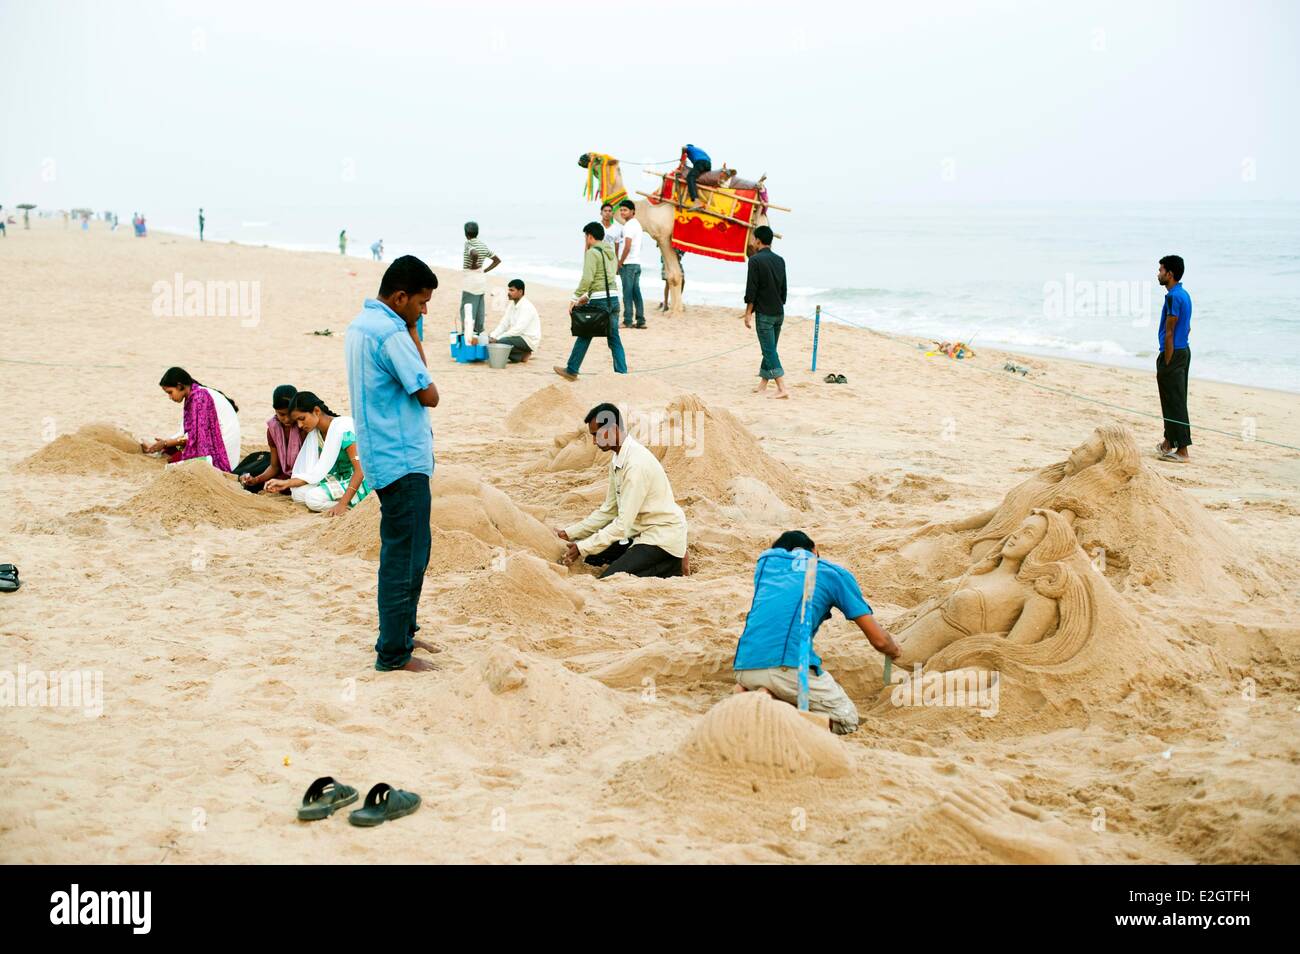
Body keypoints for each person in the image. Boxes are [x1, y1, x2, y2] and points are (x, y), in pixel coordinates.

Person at [344, 255, 441, 673]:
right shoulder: (390, 333)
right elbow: (429, 392)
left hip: (382, 455)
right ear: (400, 297)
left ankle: (403, 631)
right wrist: (412, 330)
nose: (423, 311)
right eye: (421, 303)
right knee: (406, 556)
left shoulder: (360, 326)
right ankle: (394, 653)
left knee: (412, 550)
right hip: (402, 458)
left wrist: (410, 325)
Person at [732, 531, 901, 734]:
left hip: (745, 668)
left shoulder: (766, 569)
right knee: (846, 720)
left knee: (778, 683)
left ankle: (758, 693)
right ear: (814, 550)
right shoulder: (829, 572)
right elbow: (879, 641)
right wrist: (895, 651)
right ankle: (774, 708)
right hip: (787, 668)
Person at [556, 403, 689, 578]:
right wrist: (570, 533)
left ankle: (674, 563)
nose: (595, 441)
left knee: (609, 578)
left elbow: (622, 525)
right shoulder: (618, 458)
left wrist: (582, 547)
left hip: (661, 536)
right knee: (592, 560)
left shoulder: (635, 465)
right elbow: (609, 510)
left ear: (612, 429)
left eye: (596, 435)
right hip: (637, 532)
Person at [264, 392, 369, 516]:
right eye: (297, 421)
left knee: (313, 499)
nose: (300, 425)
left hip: (361, 480)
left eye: (302, 419)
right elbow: (315, 473)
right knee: (298, 493)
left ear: (316, 411)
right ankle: (339, 502)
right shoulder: (316, 434)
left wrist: (342, 504)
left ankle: (351, 507)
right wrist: (285, 483)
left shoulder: (345, 429)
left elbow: (361, 470)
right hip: (338, 478)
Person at [554, 222, 626, 380]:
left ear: (590, 236)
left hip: (600, 302)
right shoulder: (610, 253)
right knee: (614, 338)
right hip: (613, 299)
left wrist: (575, 297)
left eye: (585, 237)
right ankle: (622, 374)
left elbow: (588, 278)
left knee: (585, 333)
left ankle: (572, 370)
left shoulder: (592, 253)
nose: (585, 240)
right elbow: (606, 278)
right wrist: (586, 297)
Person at [141, 367, 241, 472]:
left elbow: (195, 437)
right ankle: (158, 449)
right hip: (215, 443)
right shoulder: (193, 395)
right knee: (174, 449)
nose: (170, 397)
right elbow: (189, 434)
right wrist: (165, 444)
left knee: (176, 462)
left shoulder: (199, 398)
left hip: (221, 453)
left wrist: (166, 443)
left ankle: (161, 450)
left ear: (180, 386)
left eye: (170, 392)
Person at [744, 225, 789, 399]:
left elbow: (751, 289)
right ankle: (763, 384)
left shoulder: (755, 260)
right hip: (779, 312)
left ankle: (782, 388)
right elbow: (784, 288)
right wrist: (780, 303)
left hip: (764, 314)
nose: (752, 242)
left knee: (768, 350)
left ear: (758, 240)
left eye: (754, 239)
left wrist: (748, 312)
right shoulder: (780, 260)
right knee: (770, 348)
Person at [1155, 254, 1192, 462]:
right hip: (1183, 351)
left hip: (1173, 353)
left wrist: (1167, 360)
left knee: (1175, 402)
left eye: (1161, 270)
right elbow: (1188, 327)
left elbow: (1170, 331)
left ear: (1170, 274)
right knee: (1173, 399)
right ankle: (1168, 442)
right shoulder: (1184, 294)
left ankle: (1183, 451)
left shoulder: (1173, 297)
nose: (1158, 274)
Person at [240, 384, 304, 493]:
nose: (287, 419)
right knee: (253, 485)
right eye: (282, 414)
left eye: (290, 414)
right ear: (275, 410)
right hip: (285, 473)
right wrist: (256, 480)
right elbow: (275, 467)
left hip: (303, 475)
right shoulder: (272, 430)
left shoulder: (304, 428)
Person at [461, 221, 501, 339]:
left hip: (471, 279)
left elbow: (474, 253)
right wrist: (485, 270)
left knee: (467, 308)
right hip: (480, 279)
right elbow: (497, 260)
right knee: (479, 308)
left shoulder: (468, 243)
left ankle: (467, 336)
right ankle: (478, 333)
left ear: (466, 233)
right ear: (477, 232)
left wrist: (473, 265)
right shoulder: (483, 245)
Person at [488, 279, 541, 363]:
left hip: (528, 340)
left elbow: (518, 329)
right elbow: (503, 324)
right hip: (517, 337)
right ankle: (520, 356)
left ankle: (523, 353)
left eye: (512, 290)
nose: (508, 292)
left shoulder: (526, 307)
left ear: (520, 292)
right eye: (509, 290)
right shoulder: (512, 305)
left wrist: (498, 339)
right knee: (490, 340)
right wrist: (493, 336)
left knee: (501, 342)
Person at [616, 199, 646, 329]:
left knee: (627, 293)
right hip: (636, 263)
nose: (622, 212)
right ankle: (640, 320)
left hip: (628, 264)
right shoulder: (637, 225)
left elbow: (627, 246)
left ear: (632, 211)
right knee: (636, 293)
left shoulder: (628, 226)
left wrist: (620, 263)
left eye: (625, 210)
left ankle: (627, 320)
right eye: (621, 210)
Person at [679, 143, 712, 208]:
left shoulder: (689, 147)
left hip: (701, 162)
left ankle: (696, 201)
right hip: (708, 164)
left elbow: (683, 147)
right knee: (699, 178)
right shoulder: (699, 150)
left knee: (690, 177)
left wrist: (682, 156)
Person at [659, 247, 684, 311]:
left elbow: (679, 257)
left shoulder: (678, 243)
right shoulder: (667, 240)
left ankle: (676, 301)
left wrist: (682, 252)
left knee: (682, 281)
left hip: (677, 263)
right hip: (667, 262)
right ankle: (666, 304)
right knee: (668, 284)